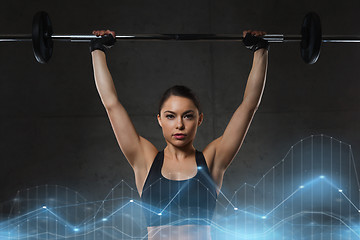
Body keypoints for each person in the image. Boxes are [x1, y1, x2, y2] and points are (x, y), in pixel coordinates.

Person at [90, 30, 268, 240]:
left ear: (199, 119)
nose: (180, 125)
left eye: (188, 116)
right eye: (171, 116)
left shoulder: (211, 160)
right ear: (160, 120)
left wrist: (260, 50)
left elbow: (248, 106)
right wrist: (97, 50)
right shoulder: (145, 160)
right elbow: (111, 104)